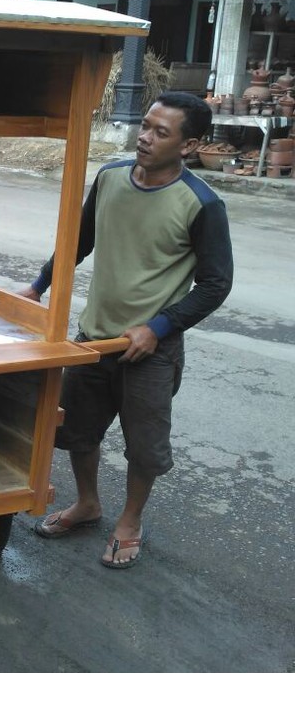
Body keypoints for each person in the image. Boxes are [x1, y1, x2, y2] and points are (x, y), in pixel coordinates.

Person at [20, 91, 233, 569]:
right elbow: (80, 240)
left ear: (188, 144)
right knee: (77, 430)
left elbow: (216, 283)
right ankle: (88, 503)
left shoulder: (202, 204)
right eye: (145, 125)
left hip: (150, 350)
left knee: (144, 445)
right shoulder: (111, 176)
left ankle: (130, 521)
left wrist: (159, 327)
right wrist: (37, 287)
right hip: (94, 338)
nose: (145, 137)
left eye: (161, 132)